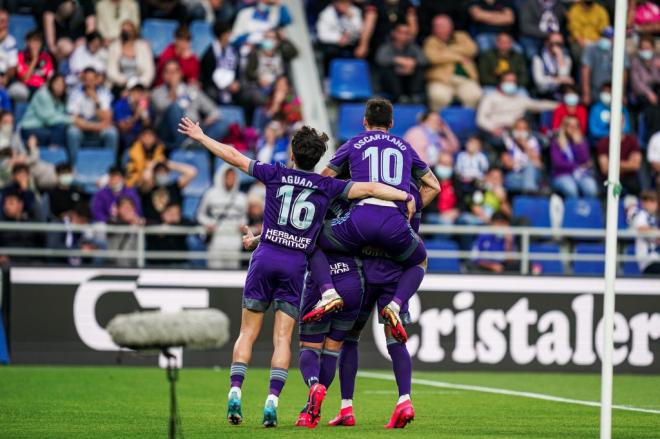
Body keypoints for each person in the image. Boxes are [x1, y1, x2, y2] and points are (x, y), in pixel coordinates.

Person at [177, 116, 414, 427]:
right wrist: (404, 195)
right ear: (318, 159)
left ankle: (235, 390)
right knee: (282, 339)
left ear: (292, 153)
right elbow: (369, 187)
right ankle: (272, 401)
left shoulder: (274, 174)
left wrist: (202, 137)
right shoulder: (327, 185)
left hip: (264, 258)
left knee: (247, 332)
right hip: (294, 265)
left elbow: (233, 156)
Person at [311, 98, 440, 344]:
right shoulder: (405, 146)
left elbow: (324, 180)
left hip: (359, 222)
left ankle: (328, 290)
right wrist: (411, 208)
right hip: (395, 223)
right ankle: (396, 304)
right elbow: (434, 185)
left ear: (365, 121)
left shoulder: (353, 143)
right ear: (391, 123)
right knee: (420, 261)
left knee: (313, 240)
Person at [151, 59, 227, 149]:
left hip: (193, 130)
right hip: (169, 131)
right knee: (174, 108)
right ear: (164, 75)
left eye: (175, 71)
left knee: (222, 123)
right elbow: (162, 107)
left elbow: (214, 110)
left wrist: (207, 121)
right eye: (169, 72)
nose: (172, 75)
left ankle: (194, 144)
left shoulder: (192, 90)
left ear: (180, 73)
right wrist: (173, 88)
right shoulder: (157, 92)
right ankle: (186, 145)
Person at [477, 71, 557, 147]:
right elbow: (481, 118)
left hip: (518, 131)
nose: (511, 84)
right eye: (508, 81)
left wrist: (559, 105)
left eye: (513, 81)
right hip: (497, 132)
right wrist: (492, 128)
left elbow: (539, 105)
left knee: (543, 141)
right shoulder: (490, 97)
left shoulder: (521, 99)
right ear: (501, 82)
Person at [423, 15, 482, 110]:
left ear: (451, 26)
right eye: (437, 26)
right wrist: (459, 57)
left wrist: (445, 51)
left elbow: (472, 49)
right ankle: (435, 122)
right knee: (438, 97)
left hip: (465, 78)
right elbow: (433, 57)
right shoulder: (430, 41)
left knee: (475, 95)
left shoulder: (462, 36)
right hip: (441, 80)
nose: (440, 29)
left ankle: (465, 122)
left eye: (443, 26)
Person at [195, 164, 247, 269]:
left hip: (234, 238)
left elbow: (244, 217)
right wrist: (208, 223)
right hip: (216, 237)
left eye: (233, 177)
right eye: (228, 176)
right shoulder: (210, 194)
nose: (230, 179)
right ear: (221, 177)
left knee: (233, 272)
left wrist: (242, 225)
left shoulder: (242, 197)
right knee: (214, 271)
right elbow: (200, 214)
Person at [66, 68, 118, 162]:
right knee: (72, 132)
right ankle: (74, 165)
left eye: (92, 80)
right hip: (83, 129)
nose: (89, 83)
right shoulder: (75, 94)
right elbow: (75, 120)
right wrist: (97, 126)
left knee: (112, 133)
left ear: (97, 80)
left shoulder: (105, 93)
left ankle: (111, 166)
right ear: (83, 80)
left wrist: (96, 101)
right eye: (86, 80)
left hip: (97, 128)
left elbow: (107, 119)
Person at [375, 23, 426, 104]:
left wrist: (413, 63)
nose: (404, 36)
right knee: (387, 69)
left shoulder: (414, 47)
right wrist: (399, 61)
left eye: (407, 33)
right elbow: (380, 59)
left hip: (409, 81)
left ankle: (415, 95)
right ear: (394, 33)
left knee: (420, 69)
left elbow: (424, 60)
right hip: (391, 84)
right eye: (401, 33)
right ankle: (399, 97)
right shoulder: (386, 47)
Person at [550, 115, 599, 198]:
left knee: (591, 187)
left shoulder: (582, 142)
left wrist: (579, 145)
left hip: (582, 175)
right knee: (571, 188)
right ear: (564, 127)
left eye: (576, 126)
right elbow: (558, 163)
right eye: (570, 125)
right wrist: (577, 165)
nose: (573, 128)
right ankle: (573, 210)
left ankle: (587, 209)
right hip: (562, 175)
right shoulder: (556, 142)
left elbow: (585, 160)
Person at [353, 0, 418, 60]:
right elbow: (369, 25)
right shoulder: (375, 3)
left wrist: (410, 44)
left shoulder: (407, 4)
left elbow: (413, 26)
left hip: (401, 43)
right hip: (379, 42)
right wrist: (363, 44)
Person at [19, 74, 71, 148]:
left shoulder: (60, 98)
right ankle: (53, 154)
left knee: (62, 128)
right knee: (58, 131)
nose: (59, 87)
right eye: (57, 84)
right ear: (51, 83)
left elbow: (60, 116)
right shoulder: (43, 94)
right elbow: (49, 119)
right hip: (29, 128)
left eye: (62, 85)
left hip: (44, 127)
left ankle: (55, 152)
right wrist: (71, 120)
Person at [106, 20, 155, 94]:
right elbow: (111, 71)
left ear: (134, 31)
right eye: (124, 30)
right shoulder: (114, 47)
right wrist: (125, 82)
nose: (126, 33)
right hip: (120, 85)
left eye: (129, 30)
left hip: (140, 85)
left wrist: (138, 84)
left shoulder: (143, 46)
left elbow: (149, 71)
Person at [316, 0, 363, 74]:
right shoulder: (326, 14)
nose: (345, 5)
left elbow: (359, 30)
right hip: (334, 46)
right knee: (331, 52)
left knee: (359, 51)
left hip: (351, 44)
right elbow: (322, 35)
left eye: (346, 2)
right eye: (341, 2)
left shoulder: (355, 11)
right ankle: (329, 79)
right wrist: (339, 39)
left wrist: (351, 18)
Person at [200, 21, 241, 104]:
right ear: (223, 35)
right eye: (228, 33)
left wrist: (236, 82)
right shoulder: (210, 54)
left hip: (231, 85)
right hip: (214, 86)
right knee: (211, 93)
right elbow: (206, 77)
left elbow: (237, 69)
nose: (230, 35)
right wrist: (224, 85)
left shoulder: (234, 50)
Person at [581, 26, 622, 105]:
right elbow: (585, 71)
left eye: (609, 37)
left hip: (613, 91)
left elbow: (624, 72)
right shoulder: (591, 48)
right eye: (604, 36)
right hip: (594, 90)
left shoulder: (619, 49)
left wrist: (621, 93)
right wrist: (586, 93)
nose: (606, 40)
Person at [11, 30, 54, 103]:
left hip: (41, 88)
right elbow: (25, 78)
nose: (36, 44)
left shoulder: (46, 57)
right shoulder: (20, 56)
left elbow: (49, 77)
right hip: (26, 88)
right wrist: (34, 59)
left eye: (38, 42)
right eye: (33, 41)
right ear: (27, 42)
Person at [0, 188, 42, 264]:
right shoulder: (2, 226)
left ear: (20, 205)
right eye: (5, 203)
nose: (6, 207)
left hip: (32, 264)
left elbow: (41, 244)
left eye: (11, 203)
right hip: (8, 265)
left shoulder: (32, 224)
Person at [501, 118, 542, 193]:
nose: (521, 132)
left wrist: (525, 146)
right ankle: (531, 192)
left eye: (524, 129)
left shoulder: (533, 141)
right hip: (515, 175)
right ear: (514, 130)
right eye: (518, 128)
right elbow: (508, 164)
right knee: (514, 180)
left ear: (528, 131)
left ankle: (529, 193)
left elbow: (538, 164)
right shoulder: (508, 142)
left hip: (532, 174)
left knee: (530, 167)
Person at [631, 35, 660, 139]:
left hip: (656, 91)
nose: (645, 51)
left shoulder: (657, 60)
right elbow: (636, 83)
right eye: (643, 48)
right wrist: (649, 94)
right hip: (642, 94)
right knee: (651, 110)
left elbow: (657, 81)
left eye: (648, 48)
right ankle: (651, 137)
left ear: (652, 48)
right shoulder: (635, 61)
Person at [597, 130, 642, 196]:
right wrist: (628, 164)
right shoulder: (603, 142)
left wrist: (613, 164)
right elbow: (605, 169)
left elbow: (635, 166)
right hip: (609, 179)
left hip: (630, 180)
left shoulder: (632, 140)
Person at [531, 32, 574, 98]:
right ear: (547, 43)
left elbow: (564, 78)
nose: (556, 47)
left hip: (559, 93)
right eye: (553, 44)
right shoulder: (538, 58)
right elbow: (539, 80)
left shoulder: (566, 58)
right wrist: (556, 80)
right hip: (542, 93)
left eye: (559, 44)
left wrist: (560, 58)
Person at [106, 195, 144, 267]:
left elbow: (153, 223)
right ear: (118, 209)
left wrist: (140, 222)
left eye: (130, 207)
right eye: (124, 207)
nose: (128, 209)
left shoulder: (138, 221)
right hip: (115, 265)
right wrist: (131, 221)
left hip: (135, 265)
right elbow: (114, 224)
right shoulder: (112, 221)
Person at [113, 80, 151, 150]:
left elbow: (147, 125)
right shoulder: (121, 104)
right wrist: (136, 116)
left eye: (140, 91)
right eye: (135, 91)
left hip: (141, 133)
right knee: (129, 139)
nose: (138, 94)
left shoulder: (144, 104)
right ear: (129, 92)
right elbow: (123, 128)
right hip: (126, 135)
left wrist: (144, 115)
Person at [629, 191, 660, 274]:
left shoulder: (654, 218)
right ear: (643, 203)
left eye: (653, 201)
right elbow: (642, 229)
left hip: (656, 258)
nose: (652, 204)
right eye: (648, 201)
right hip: (648, 260)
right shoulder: (642, 214)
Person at [0, 10, 18, 84]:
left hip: (4, 75)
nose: (5, 24)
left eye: (7, 21)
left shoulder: (11, 41)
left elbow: (12, 66)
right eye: (2, 21)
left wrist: (6, 78)